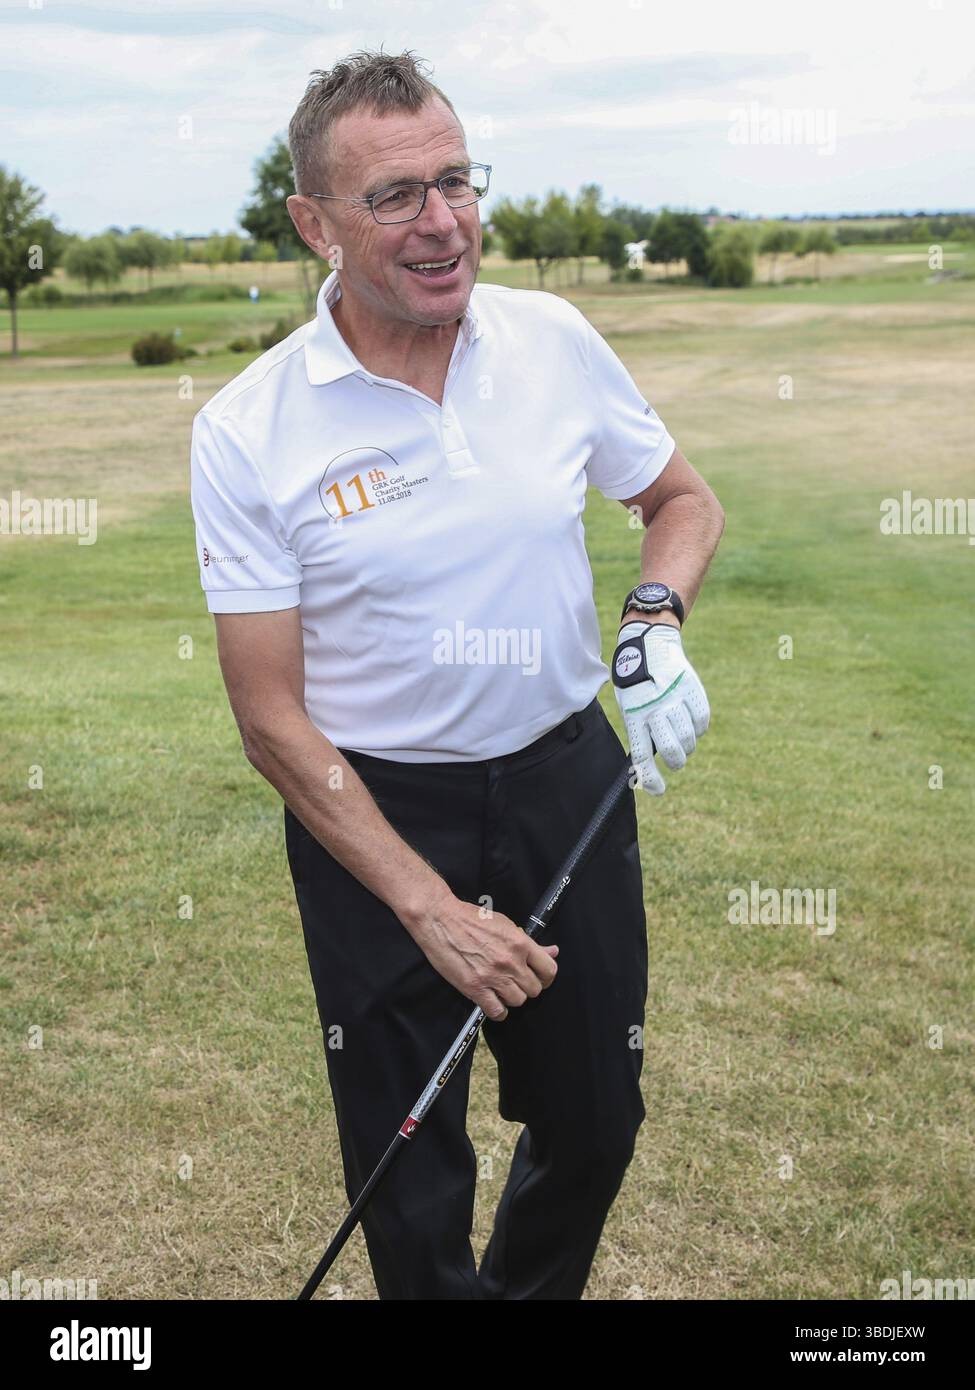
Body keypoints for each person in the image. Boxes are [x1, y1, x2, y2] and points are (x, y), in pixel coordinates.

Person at [189, 48, 724, 1300]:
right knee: (406, 1177)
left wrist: (650, 622)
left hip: (563, 781)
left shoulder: (553, 338)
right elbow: (269, 715)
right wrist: (428, 907)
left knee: (596, 1119)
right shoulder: (250, 427)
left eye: (457, 181)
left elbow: (680, 501)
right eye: (394, 196)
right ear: (312, 223)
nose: (442, 223)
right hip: (372, 811)